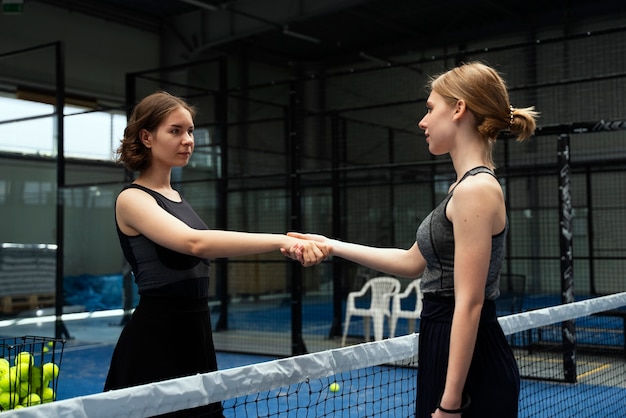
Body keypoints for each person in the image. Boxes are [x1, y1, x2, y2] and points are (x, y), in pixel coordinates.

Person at [286, 62, 539, 417]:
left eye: (430, 108)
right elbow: (410, 262)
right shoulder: (462, 189)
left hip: (467, 359)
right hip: (443, 342)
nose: (423, 121)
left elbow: (469, 304)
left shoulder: (476, 190)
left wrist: (451, 404)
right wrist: (330, 245)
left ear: (459, 109)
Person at [103, 91, 328, 417]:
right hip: (155, 339)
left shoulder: (177, 197)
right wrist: (282, 240)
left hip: (196, 334)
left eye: (191, 131)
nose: (188, 140)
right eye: (176, 131)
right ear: (147, 137)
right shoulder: (132, 199)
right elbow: (197, 243)